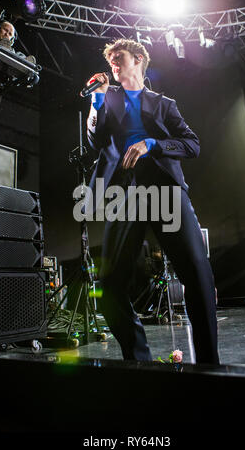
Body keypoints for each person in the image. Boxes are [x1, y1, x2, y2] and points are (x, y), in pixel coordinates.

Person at [86, 38, 219, 364]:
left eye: (120, 58)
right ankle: (139, 361)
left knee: (198, 278)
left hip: (167, 192)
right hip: (127, 194)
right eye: (111, 60)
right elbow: (95, 139)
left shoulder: (164, 104)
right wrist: (96, 101)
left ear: (139, 60)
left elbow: (191, 144)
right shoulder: (108, 100)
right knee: (109, 289)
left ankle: (209, 365)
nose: (114, 64)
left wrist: (152, 144)